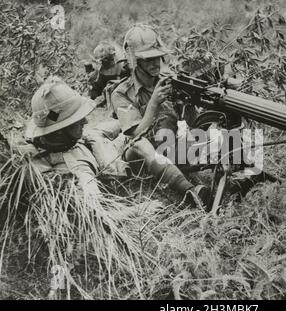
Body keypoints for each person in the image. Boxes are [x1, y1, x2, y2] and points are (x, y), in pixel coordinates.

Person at [110, 24, 211, 209]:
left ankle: (241, 175)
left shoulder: (170, 79)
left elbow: (193, 124)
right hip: (140, 158)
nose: (155, 63)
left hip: (170, 147)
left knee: (214, 133)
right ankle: (190, 190)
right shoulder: (121, 93)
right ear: (134, 61)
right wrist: (154, 103)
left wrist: (188, 105)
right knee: (141, 144)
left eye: (157, 56)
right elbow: (136, 135)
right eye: (147, 59)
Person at [20, 76, 130, 196]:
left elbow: (101, 130)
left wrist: (130, 120)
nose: (85, 122)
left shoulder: (64, 139)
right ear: (60, 130)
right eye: (78, 120)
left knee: (125, 124)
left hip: (90, 141)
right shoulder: (76, 170)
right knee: (130, 138)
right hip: (98, 152)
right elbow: (95, 202)